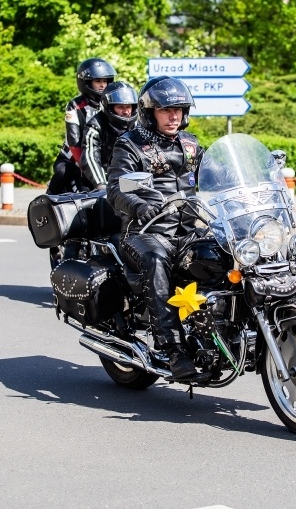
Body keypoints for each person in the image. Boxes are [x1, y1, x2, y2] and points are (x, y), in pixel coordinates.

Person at [106, 76, 206, 381]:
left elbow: (215, 175)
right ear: (151, 112)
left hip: (189, 228)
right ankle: (172, 348)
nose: (174, 115)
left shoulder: (190, 145)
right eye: (166, 110)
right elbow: (117, 188)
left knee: (228, 251)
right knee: (157, 260)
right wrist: (139, 206)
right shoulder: (132, 144)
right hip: (144, 232)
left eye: (179, 109)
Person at [47, 58, 116, 195]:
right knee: (62, 172)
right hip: (74, 160)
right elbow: (74, 141)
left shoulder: (113, 104)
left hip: (102, 160)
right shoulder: (75, 105)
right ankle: (49, 198)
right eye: (98, 81)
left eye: (105, 81)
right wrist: (86, 166)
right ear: (86, 82)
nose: (103, 85)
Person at [80, 81, 138, 190]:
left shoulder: (138, 126)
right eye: (120, 107)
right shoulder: (94, 127)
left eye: (128, 106)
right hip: (101, 178)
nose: (126, 112)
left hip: (129, 179)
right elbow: (90, 157)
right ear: (109, 107)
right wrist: (101, 184)